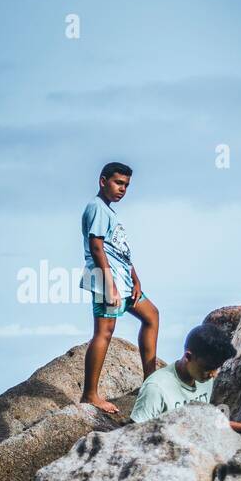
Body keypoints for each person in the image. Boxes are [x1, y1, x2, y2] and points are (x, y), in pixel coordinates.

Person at [79, 162, 159, 414]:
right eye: (118, 183)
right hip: (107, 280)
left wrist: (136, 279)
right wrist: (109, 284)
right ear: (103, 181)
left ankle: (150, 382)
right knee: (104, 332)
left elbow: (120, 251)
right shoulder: (97, 208)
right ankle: (90, 395)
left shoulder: (110, 212)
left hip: (124, 281)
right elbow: (96, 247)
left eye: (126, 185)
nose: (122, 189)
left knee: (151, 315)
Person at [130, 322, 241, 435]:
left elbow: (205, 419)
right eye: (209, 368)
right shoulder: (157, 388)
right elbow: (133, 435)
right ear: (188, 356)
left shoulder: (203, 378)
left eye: (217, 368)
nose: (214, 374)